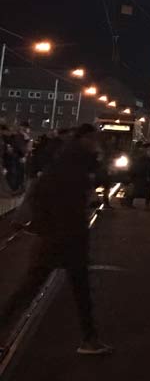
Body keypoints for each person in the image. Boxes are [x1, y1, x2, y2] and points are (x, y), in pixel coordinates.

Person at [0, 124, 111, 355]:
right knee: (41, 289)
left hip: (59, 237)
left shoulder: (69, 161)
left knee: (39, 288)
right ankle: (89, 340)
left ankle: (90, 338)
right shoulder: (76, 164)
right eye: (94, 140)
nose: (97, 144)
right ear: (86, 140)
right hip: (64, 238)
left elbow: (43, 194)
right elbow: (48, 195)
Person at [124, 142, 150, 209]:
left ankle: (130, 202)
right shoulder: (144, 155)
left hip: (138, 174)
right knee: (144, 190)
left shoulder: (137, 153)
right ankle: (146, 205)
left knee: (137, 189)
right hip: (141, 174)